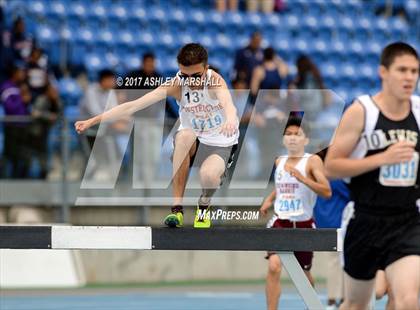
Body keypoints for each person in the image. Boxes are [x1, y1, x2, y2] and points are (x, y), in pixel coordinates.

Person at [75, 43, 239, 228]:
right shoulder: (177, 84)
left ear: (206, 69)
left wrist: (230, 119)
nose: (191, 82)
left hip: (220, 141)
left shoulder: (215, 81)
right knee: (183, 136)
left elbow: (228, 103)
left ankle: (204, 204)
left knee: (208, 176)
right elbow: (133, 105)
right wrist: (93, 121)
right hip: (194, 139)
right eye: (185, 76)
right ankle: (177, 209)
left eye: (196, 76)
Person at [325, 42, 420, 310]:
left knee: (408, 300)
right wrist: (382, 158)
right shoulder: (362, 112)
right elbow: (331, 167)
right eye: (402, 70)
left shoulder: (419, 111)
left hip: (407, 220)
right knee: (358, 303)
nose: (409, 77)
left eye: (414, 71)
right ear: (383, 72)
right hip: (365, 220)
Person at [260, 117, 332, 310]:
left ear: (305, 140)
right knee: (274, 266)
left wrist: (303, 178)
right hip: (280, 222)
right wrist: (269, 200)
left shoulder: (313, 160)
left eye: (297, 134)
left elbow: (326, 191)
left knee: (303, 274)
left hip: (303, 224)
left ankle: (312, 306)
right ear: (283, 139)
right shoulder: (279, 161)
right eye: (288, 134)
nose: (292, 138)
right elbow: (283, 186)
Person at [313, 150, 350, 310]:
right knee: (339, 262)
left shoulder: (316, 176)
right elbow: (353, 195)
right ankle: (337, 298)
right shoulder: (335, 177)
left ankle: (334, 297)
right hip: (337, 222)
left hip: (323, 222)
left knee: (333, 261)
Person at [0, 64, 31, 178]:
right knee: (10, 156)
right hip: (12, 126)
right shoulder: (7, 87)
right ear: (14, 73)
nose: (23, 75)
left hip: (23, 126)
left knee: (22, 156)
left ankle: (20, 180)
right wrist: (22, 99)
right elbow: (9, 108)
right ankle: (7, 180)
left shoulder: (22, 87)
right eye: (20, 72)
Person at [29, 83, 62, 179]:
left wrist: (56, 102)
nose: (55, 93)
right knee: (37, 156)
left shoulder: (56, 101)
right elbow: (35, 113)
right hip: (37, 133)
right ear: (48, 91)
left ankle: (44, 174)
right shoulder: (42, 99)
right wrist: (49, 116)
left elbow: (60, 114)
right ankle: (36, 175)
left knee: (46, 155)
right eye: (53, 91)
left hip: (48, 132)